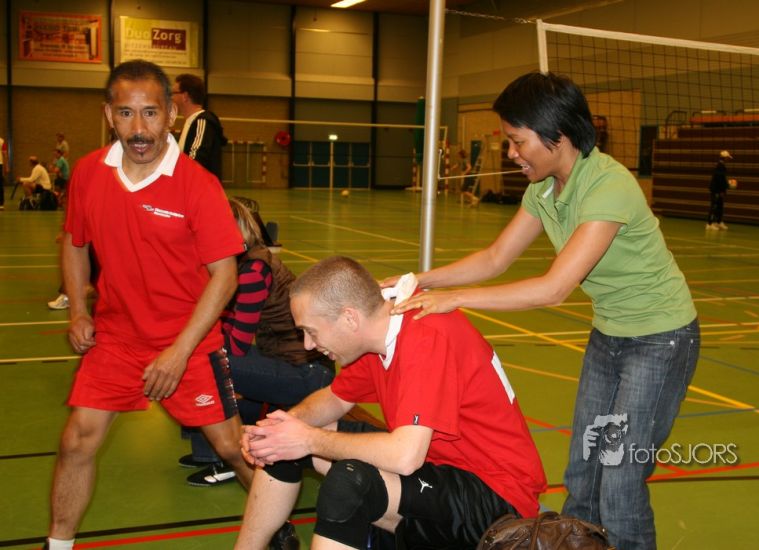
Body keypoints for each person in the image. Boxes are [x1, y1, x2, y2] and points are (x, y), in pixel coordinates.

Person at [388, 71, 700, 550]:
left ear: (558, 134)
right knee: (583, 471)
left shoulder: (609, 186)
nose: (512, 153)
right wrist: (422, 280)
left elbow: (554, 288)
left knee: (619, 480)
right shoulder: (544, 190)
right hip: (610, 336)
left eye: (518, 141)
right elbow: (495, 258)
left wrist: (456, 298)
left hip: (661, 340)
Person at [44, 59, 252, 550]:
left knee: (230, 447)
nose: (138, 128)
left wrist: (178, 353)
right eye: (125, 113)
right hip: (117, 338)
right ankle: (57, 544)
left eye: (151, 113)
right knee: (77, 440)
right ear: (108, 115)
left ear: (171, 116)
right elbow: (74, 241)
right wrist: (78, 311)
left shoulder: (198, 184)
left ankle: (277, 526)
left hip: (189, 341)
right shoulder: (90, 173)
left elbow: (225, 276)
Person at [235, 256, 546, 550]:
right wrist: (280, 429)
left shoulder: (424, 336)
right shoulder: (376, 334)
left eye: (310, 331)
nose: (308, 344)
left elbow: (405, 456)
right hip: (438, 471)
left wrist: (307, 439)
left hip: (497, 495)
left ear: (349, 318)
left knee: (350, 482)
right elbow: (334, 398)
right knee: (281, 446)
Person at [181, 198, 335, 489]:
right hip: (285, 362)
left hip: (308, 374)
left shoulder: (254, 270)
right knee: (197, 355)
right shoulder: (238, 265)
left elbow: (237, 344)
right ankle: (209, 451)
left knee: (203, 360)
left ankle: (227, 458)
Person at [172, 73, 227, 180]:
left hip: (200, 189)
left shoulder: (202, 121)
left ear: (185, 96)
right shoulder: (191, 123)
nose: (171, 97)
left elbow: (195, 159)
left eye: (173, 93)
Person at [706, 150, 735, 231]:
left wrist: (725, 188)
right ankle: (709, 224)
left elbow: (722, 179)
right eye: (727, 158)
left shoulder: (722, 166)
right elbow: (720, 180)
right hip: (716, 190)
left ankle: (719, 222)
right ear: (724, 158)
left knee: (720, 207)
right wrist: (725, 187)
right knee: (714, 206)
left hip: (719, 190)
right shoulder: (720, 166)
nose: (728, 159)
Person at [0, 135, 7, 211]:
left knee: (0, 185)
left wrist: (6, 166)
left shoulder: (2, 141)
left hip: (0, 164)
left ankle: (1, 204)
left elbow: (5, 155)